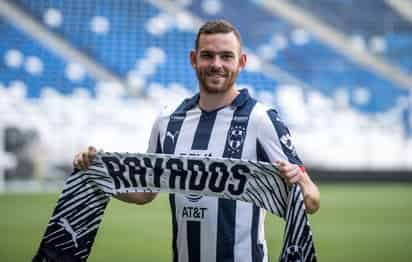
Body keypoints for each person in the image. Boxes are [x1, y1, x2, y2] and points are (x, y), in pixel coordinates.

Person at [74, 20, 320, 262]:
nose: (216, 64)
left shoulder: (261, 120)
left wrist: (303, 184)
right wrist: (97, 170)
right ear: (194, 59)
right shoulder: (168, 120)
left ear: (241, 62)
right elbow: (145, 192)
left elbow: (310, 200)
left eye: (226, 56)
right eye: (208, 56)